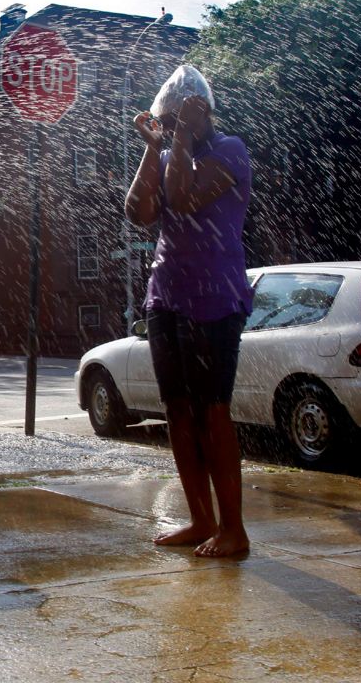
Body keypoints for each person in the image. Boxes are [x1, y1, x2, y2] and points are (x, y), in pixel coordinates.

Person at [124, 64, 253, 558]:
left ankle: (234, 530)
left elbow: (184, 196)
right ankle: (201, 520)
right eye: (168, 121)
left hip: (214, 297)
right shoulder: (166, 152)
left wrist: (174, 141)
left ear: (203, 114)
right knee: (177, 409)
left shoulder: (230, 150)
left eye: (180, 121)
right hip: (166, 296)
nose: (173, 129)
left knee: (211, 409)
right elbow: (140, 211)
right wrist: (151, 147)